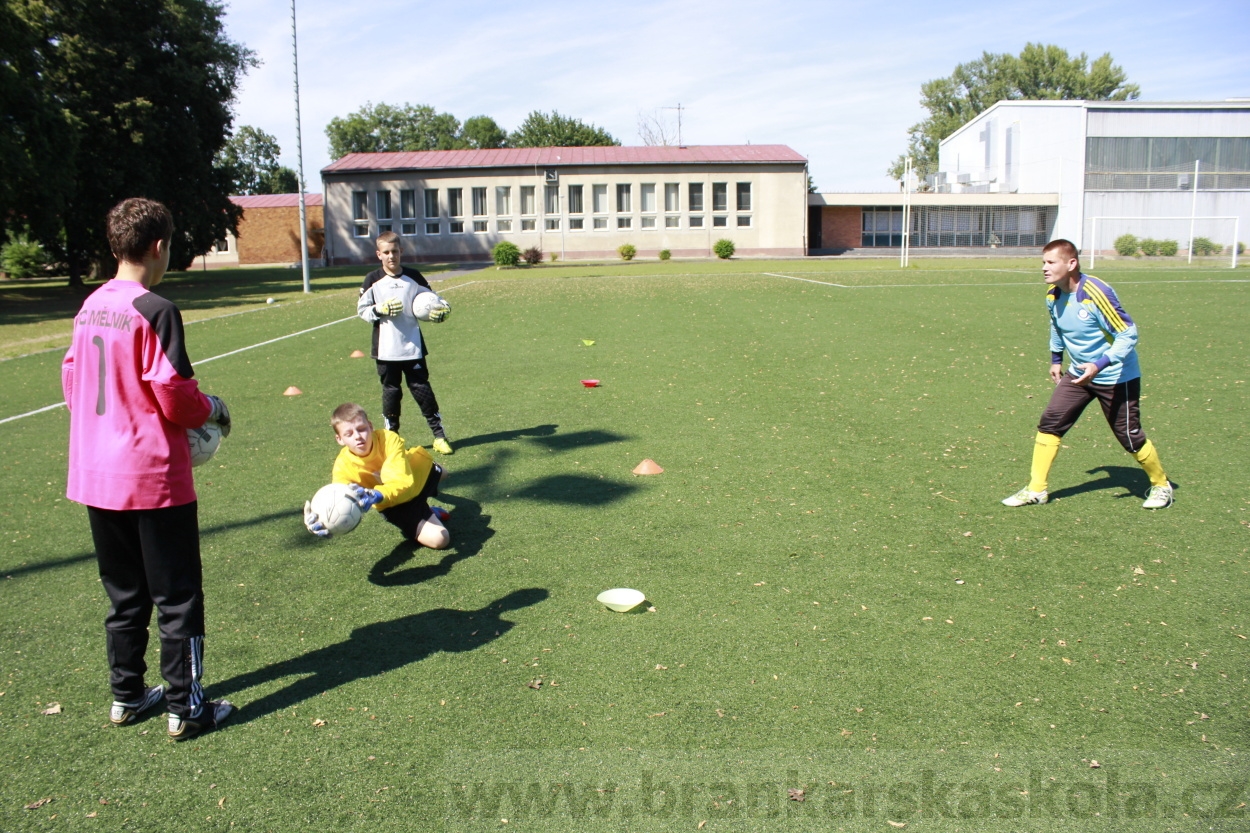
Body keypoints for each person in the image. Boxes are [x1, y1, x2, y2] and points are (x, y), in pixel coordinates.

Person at [62, 198, 235, 741]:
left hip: (95, 474)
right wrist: (212, 409)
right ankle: (186, 708)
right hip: (151, 479)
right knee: (178, 597)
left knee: (125, 595)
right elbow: (174, 395)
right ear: (158, 246)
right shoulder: (155, 308)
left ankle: (127, 695)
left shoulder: (90, 305)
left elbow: (71, 381)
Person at [1002, 238, 1173, 510]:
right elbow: (1057, 326)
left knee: (1129, 436)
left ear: (1071, 263)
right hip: (1079, 374)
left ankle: (1161, 485)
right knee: (1050, 423)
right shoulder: (1053, 294)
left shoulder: (1096, 292)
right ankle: (1036, 490)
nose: (1044, 268)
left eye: (1050, 262)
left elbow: (1128, 334)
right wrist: (1056, 359)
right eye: (1042, 263)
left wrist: (1100, 364)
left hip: (1116, 375)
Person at [304, 403, 451, 548]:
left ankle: (427, 497)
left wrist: (376, 494)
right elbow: (337, 499)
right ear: (339, 439)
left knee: (445, 474)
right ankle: (428, 511)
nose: (357, 436)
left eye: (361, 429)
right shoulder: (342, 467)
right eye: (348, 434)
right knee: (441, 539)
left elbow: (400, 481)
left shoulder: (388, 439)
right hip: (397, 504)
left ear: (370, 426)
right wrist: (319, 520)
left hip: (418, 475)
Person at [358, 231, 453, 455]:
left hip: (413, 347)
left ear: (402, 251)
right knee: (391, 393)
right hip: (386, 349)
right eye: (386, 252)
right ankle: (392, 441)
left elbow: (433, 301)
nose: (391, 256)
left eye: (395, 251)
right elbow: (362, 310)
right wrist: (377, 310)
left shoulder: (414, 277)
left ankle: (439, 437)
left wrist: (442, 309)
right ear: (379, 254)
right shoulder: (372, 279)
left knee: (423, 391)